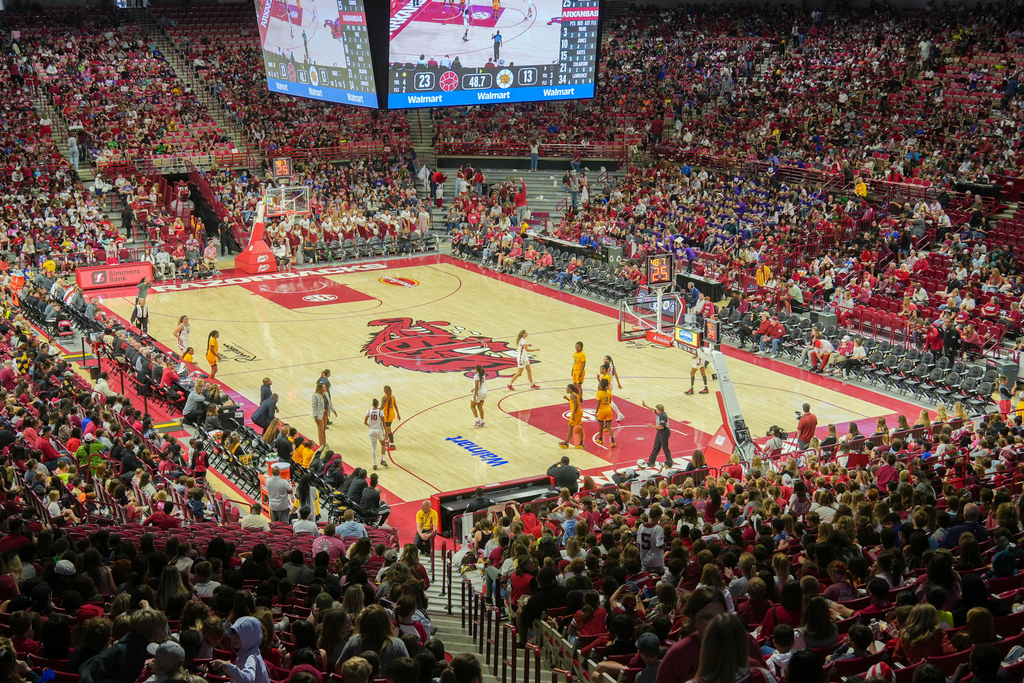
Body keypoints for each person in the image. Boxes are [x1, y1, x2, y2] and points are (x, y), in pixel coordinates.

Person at [209, 616, 270, 683]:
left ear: (249, 638)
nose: (234, 637)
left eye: (240, 635)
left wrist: (227, 665)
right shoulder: (245, 654)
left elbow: (248, 680)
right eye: (233, 633)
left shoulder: (251, 657)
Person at [642, 401, 673, 469]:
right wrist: (646, 406)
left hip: (664, 432)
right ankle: (652, 461)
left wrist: (651, 426)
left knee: (665, 447)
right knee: (656, 446)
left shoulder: (663, 416)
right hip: (660, 432)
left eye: (657, 410)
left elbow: (661, 426)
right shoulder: (660, 414)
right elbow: (653, 410)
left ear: (661, 410)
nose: (656, 410)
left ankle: (670, 461)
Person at [365, 398, 389, 470]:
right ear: (378, 404)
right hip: (379, 430)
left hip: (372, 430)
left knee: (374, 448)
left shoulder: (369, 411)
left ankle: (375, 464)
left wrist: (370, 426)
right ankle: (383, 459)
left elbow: (365, 422)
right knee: (383, 444)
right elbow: (384, 423)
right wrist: (386, 432)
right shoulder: (380, 412)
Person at [559, 385, 585, 449]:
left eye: (567, 389)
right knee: (579, 428)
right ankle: (581, 444)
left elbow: (575, 405)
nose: (566, 390)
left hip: (575, 413)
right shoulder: (575, 394)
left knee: (570, 428)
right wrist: (567, 399)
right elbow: (574, 403)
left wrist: (573, 415)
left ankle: (566, 443)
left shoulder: (572, 395)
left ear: (570, 389)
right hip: (579, 413)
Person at [313, 383, 336, 447]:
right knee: (321, 430)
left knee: (323, 429)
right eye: (323, 387)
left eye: (325, 387)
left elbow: (329, 403)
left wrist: (333, 410)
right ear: (320, 388)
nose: (325, 388)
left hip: (325, 413)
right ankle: (321, 445)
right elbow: (314, 406)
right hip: (319, 415)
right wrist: (315, 416)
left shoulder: (326, 394)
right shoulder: (316, 395)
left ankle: (324, 443)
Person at [595, 378, 616, 447]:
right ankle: (613, 441)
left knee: (601, 426)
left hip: (602, 411)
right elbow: (610, 402)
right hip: (609, 410)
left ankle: (600, 439)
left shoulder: (599, 393)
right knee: (609, 426)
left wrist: (596, 412)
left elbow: (598, 404)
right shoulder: (609, 392)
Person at [382, 386, 400, 451]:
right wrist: (398, 414)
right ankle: (386, 442)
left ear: (385, 391)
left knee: (388, 430)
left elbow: (382, 407)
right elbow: (396, 406)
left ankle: (392, 445)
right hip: (392, 414)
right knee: (386, 429)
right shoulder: (392, 397)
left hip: (387, 415)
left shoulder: (385, 398)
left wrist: (375, 411)